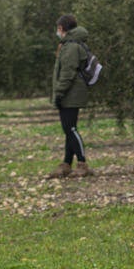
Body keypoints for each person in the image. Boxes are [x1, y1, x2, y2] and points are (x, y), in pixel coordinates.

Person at [47, 14, 92, 179]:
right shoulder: (68, 44)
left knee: (70, 129)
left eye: (58, 28)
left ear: (61, 28)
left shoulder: (71, 46)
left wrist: (59, 93)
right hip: (70, 92)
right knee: (68, 128)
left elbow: (67, 73)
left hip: (71, 93)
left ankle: (82, 163)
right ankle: (66, 164)